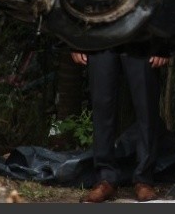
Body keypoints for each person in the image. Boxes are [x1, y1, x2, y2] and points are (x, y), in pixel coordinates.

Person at [70, 48, 168, 203]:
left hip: (142, 35)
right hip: (102, 36)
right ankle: (105, 178)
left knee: (146, 107)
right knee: (102, 106)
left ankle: (144, 179)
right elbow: (82, 21)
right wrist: (77, 44)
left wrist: (162, 44)